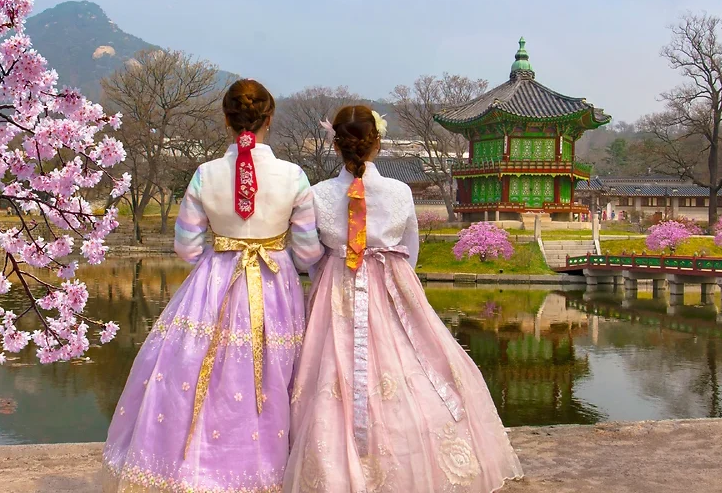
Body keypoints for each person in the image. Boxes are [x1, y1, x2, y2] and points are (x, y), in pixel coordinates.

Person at [284, 105, 523, 492]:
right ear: (376, 144)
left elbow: (307, 257)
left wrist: (331, 271)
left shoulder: (316, 195)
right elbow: (409, 249)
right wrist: (394, 277)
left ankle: (335, 463)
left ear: (336, 146)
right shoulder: (400, 191)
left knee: (331, 370)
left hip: (338, 286)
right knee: (413, 363)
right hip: (393, 283)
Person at [102, 79, 322, 492]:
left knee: (199, 372)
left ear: (226, 118)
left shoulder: (205, 174)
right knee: (272, 377)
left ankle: (195, 470)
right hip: (274, 287)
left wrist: (223, 244)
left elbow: (186, 248)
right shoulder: (294, 176)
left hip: (214, 282)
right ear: (269, 120)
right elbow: (309, 252)